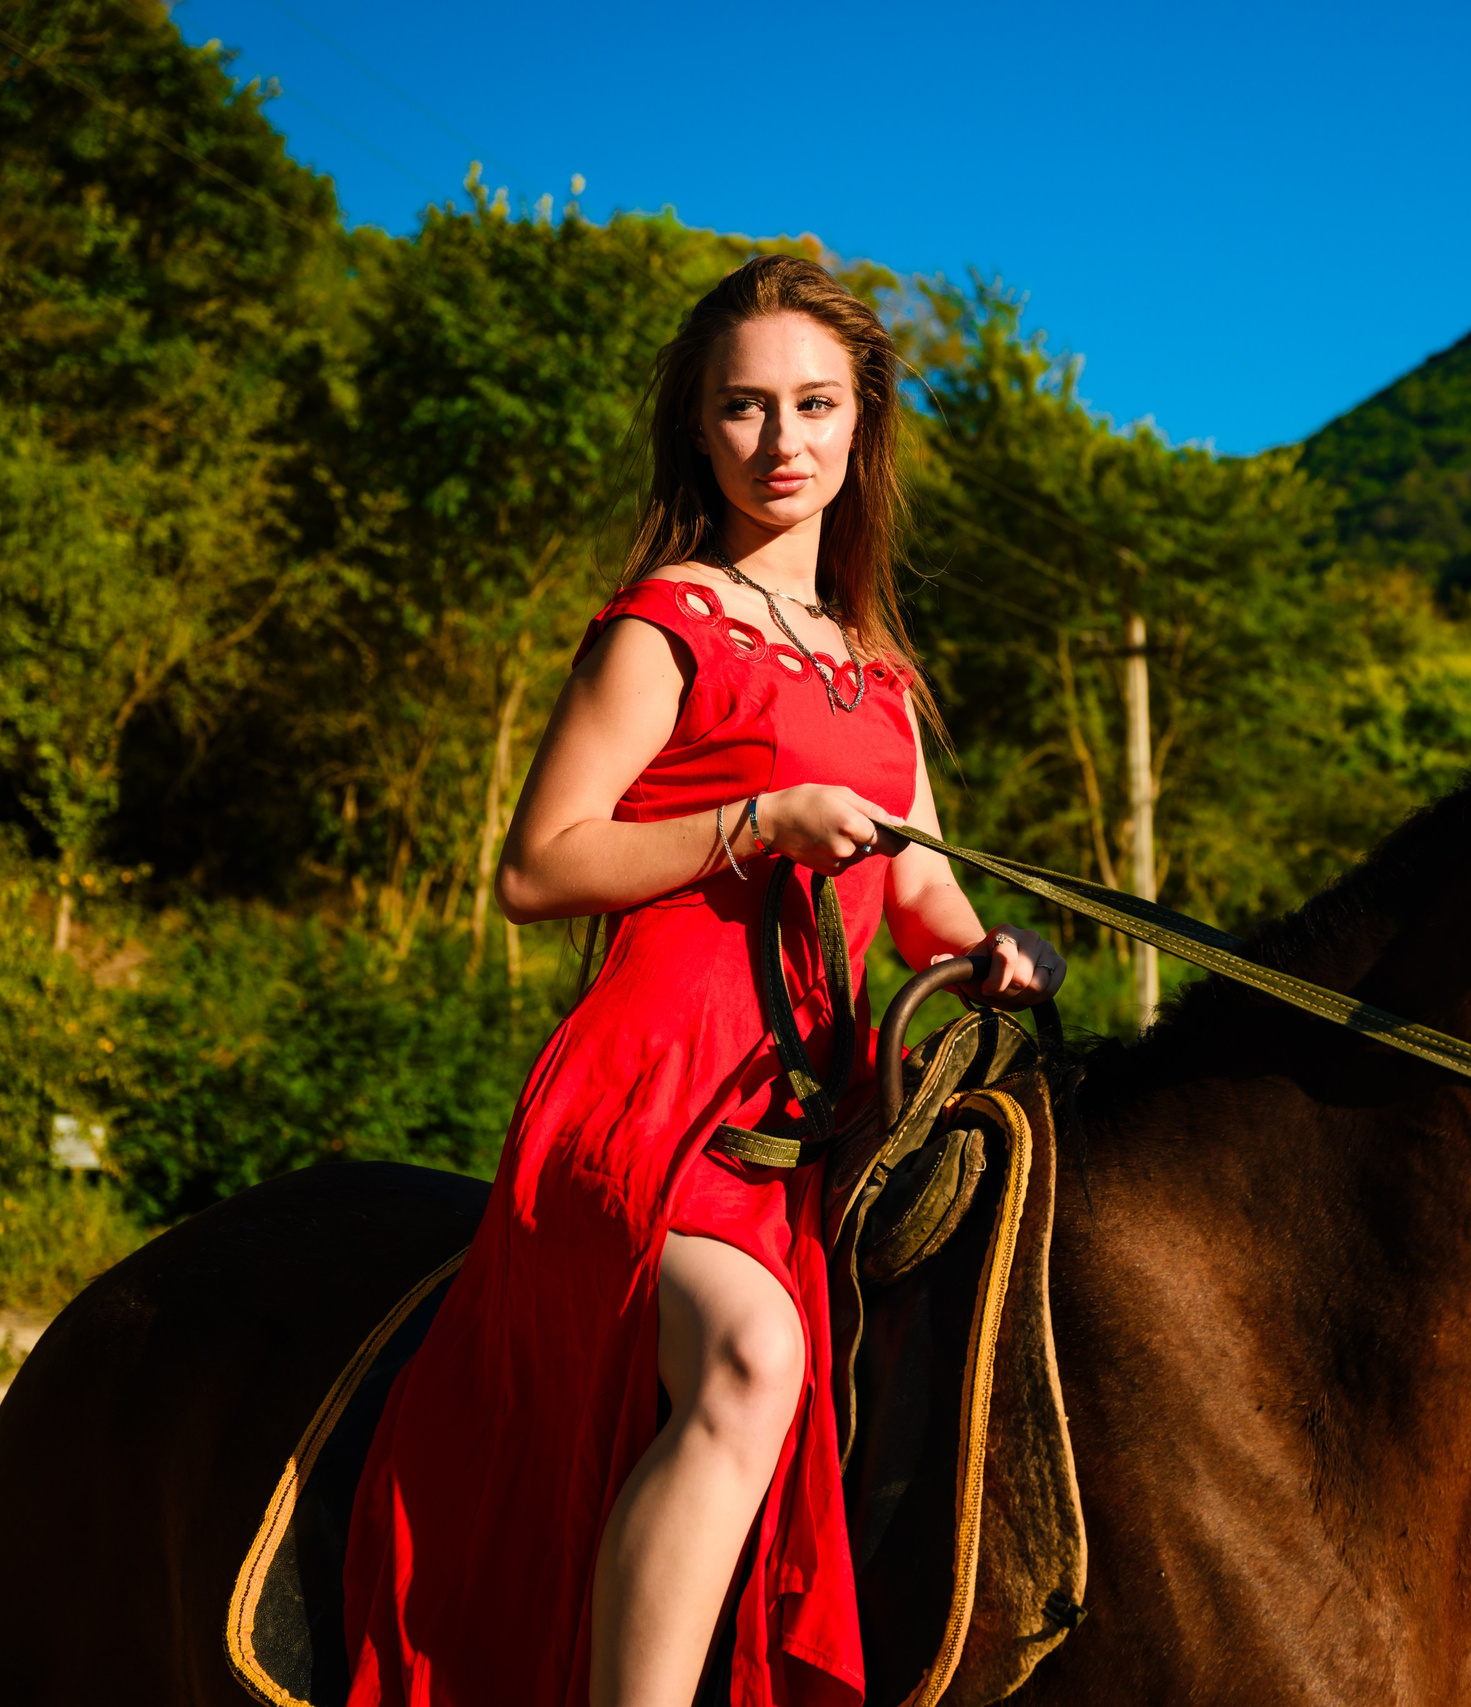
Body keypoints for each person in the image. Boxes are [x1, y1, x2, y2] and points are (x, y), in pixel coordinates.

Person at [342, 254, 1065, 1707]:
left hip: (815, 1121)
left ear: (863, 427)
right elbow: (539, 866)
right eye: (743, 408)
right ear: (699, 428)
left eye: (813, 404)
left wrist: (989, 951)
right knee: (749, 1360)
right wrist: (756, 823)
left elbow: (915, 886)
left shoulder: (882, 676)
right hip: (648, 1102)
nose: (781, 440)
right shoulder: (665, 622)